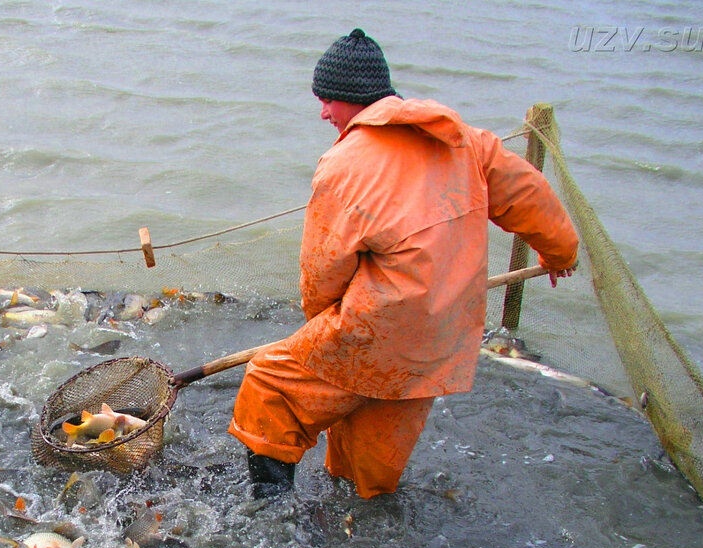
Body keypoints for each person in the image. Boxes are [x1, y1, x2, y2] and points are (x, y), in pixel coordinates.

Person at [228, 28, 579, 500]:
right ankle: (359, 515)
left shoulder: (345, 163)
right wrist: (560, 254)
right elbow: (530, 197)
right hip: (441, 338)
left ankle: (271, 517)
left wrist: (321, 328)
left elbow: (323, 269)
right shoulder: (467, 141)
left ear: (354, 97)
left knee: (270, 390)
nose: (323, 112)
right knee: (369, 467)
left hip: (378, 327)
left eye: (327, 100)